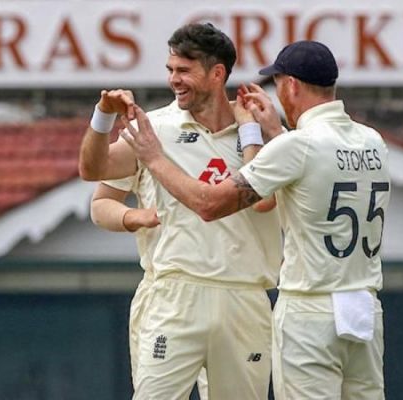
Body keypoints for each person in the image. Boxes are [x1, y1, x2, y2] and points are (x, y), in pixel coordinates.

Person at [121, 40, 391, 399]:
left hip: (310, 310)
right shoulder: (372, 141)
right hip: (364, 309)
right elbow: (312, 169)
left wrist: (154, 159)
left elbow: (209, 204)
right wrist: (276, 132)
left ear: (291, 85)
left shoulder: (297, 147)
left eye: (278, 84)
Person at [79, 23, 282, 399]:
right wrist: (102, 117)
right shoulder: (154, 126)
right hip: (174, 294)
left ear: (217, 73)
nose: (174, 79)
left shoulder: (257, 131)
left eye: (184, 70)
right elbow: (93, 173)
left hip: (244, 296)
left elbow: (267, 201)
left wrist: (256, 130)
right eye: (170, 69)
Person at [90, 174, 209, 398]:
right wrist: (136, 215)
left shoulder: (249, 139)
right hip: (166, 293)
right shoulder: (146, 140)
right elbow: (100, 202)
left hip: (237, 287)